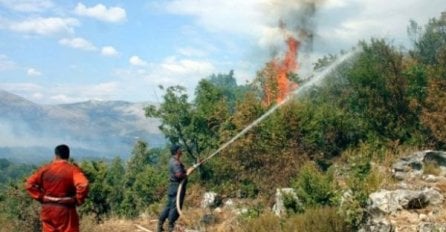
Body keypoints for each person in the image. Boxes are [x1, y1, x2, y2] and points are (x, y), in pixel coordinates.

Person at [25, 144, 89, 232]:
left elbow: (29, 184)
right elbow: (83, 184)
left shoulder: (45, 169)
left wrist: (41, 197)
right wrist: (78, 200)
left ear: (55, 155)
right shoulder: (73, 170)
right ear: (68, 156)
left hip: (48, 209)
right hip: (66, 210)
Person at [157, 144, 194, 232]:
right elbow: (179, 175)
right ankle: (170, 227)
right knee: (174, 208)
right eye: (180, 149)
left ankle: (160, 226)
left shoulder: (173, 161)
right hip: (177, 188)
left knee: (168, 206)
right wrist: (187, 174)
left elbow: (181, 171)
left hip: (172, 187)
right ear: (177, 151)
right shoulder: (175, 163)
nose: (181, 150)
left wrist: (192, 168)